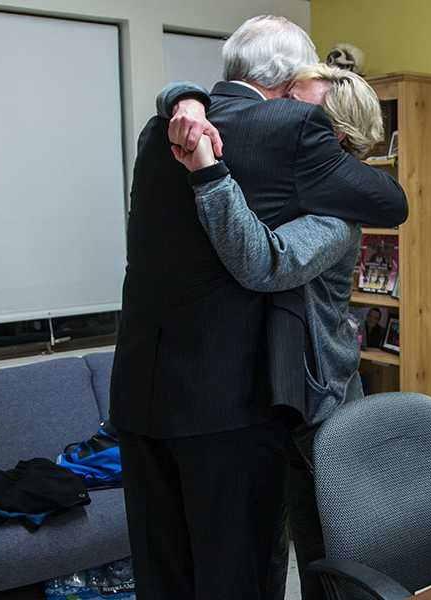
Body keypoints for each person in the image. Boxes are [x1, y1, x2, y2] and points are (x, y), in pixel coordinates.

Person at [109, 16, 407, 600]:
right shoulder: (288, 131)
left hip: (151, 392)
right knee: (239, 574)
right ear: (289, 81)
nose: (305, 107)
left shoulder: (160, 131)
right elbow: (387, 201)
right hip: (233, 401)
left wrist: (185, 98)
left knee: (166, 573)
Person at [168, 63, 387, 600]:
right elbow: (197, 95)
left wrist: (208, 173)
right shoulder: (285, 178)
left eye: (294, 103)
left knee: (331, 553)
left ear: (330, 134)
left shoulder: (337, 213)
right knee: (273, 540)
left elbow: (264, 262)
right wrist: (186, 101)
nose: (275, 111)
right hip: (274, 393)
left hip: (321, 399)